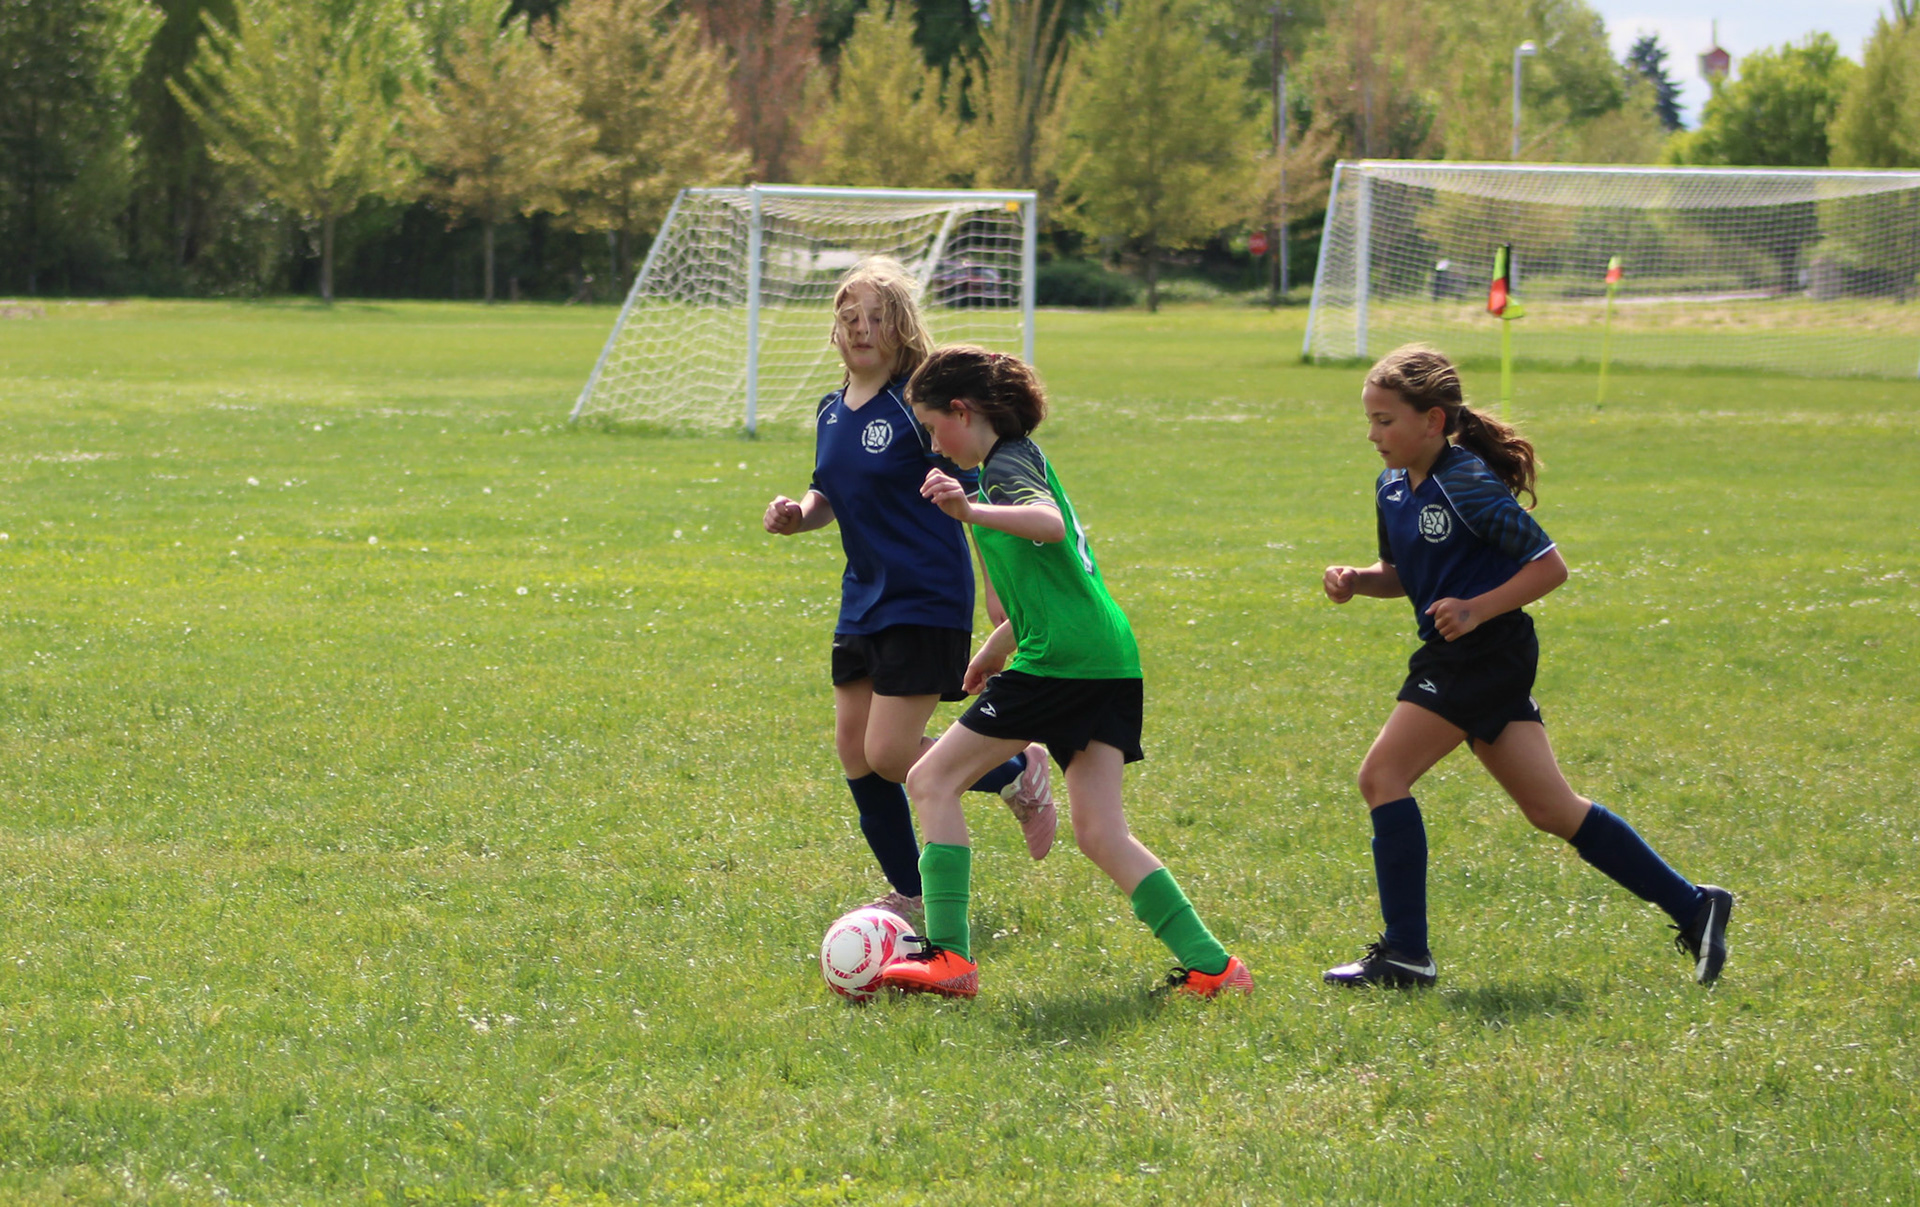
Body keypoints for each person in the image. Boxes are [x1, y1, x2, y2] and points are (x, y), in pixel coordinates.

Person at [1319, 344, 1732, 988]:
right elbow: (1400, 575)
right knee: (1552, 809)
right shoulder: (1392, 486)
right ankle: (1695, 906)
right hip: (1469, 653)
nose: (1373, 434)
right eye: (1369, 420)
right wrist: (1355, 580)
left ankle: (1405, 953)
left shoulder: (1467, 482)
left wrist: (1477, 609)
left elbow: (1549, 567)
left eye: (1385, 420)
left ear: (1432, 421)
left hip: (1484, 652)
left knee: (1382, 776)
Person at [872, 345, 1254, 1000]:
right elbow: (1057, 584)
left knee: (929, 778)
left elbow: (1047, 525)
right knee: (1101, 833)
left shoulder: (1005, 466)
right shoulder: (1009, 465)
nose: (934, 445)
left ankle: (949, 958)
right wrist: (995, 648)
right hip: (1106, 658)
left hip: (1062, 663)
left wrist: (969, 510)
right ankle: (1215, 966)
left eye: (935, 427)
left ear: (963, 411)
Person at [762, 259, 1055, 924]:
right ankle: (910, 893)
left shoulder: (915, 407)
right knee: (855, 752)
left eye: (876, 318)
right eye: (849, 317)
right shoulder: (831, 409)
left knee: (891, 753)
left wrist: (998, 592)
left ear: (901, 328)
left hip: (925, 596)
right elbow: (828, 491)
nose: (860, 329)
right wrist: (798, 514)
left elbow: (974, 496)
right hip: (862, 599)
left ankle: (1014, 769)